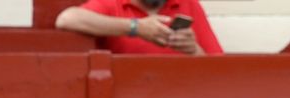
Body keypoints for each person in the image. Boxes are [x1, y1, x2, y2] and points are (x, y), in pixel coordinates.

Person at [55, 0, 221, 55]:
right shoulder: (114, 3)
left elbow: (219, 68)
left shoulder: (187, 3)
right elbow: (67, 19)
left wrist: (194, 51)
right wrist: (135, 27)